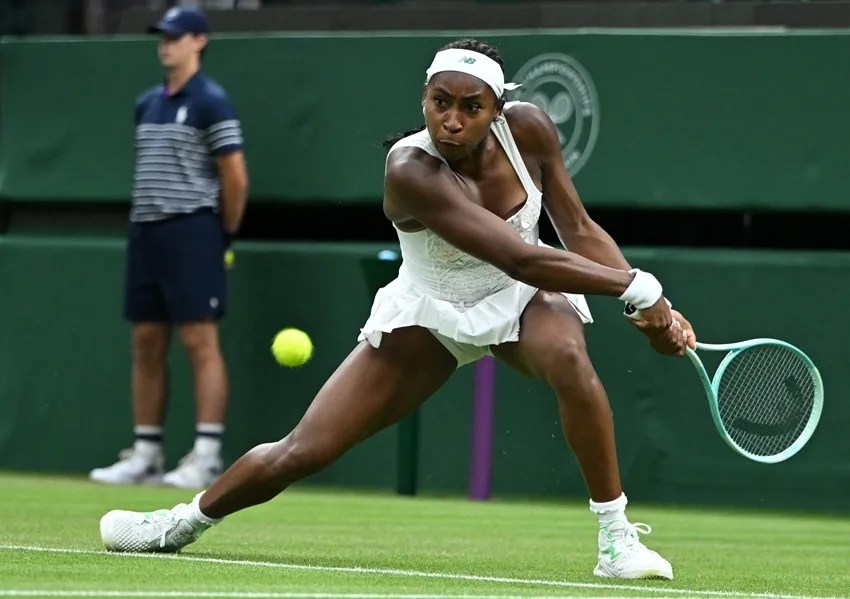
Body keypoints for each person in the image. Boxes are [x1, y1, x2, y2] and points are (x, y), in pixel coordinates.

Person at [98, 38, 695, 580]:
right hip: (431, 312)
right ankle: (179, 523)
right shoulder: (410, 170)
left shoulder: (531, 130)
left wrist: (651, 307)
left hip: (522, 303)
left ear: (497, 108)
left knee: (568, 356)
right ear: (424, 98)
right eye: (440, 103)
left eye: (471, 107)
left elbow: (577, 226)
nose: (452, 121)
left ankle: (616, 542)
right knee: (303, 451)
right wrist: (636, 287)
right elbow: (521, 257)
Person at [89, 7, 249, 489]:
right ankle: (146, 454)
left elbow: (235, 177)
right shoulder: (147, 104)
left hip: (194, 232)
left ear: (199, 40)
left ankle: (205, 456)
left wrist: (222, 236)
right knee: (146, 343)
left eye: (176, 37)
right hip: (146, 233)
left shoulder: (212, 102)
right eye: (162, 36)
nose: (166, 44)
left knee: (199, 341)